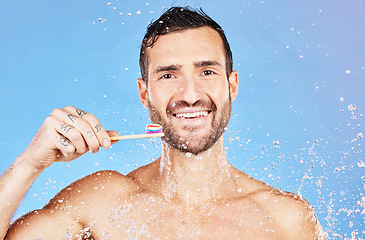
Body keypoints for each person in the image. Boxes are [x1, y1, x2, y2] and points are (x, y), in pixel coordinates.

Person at [1, 6, 324, 239]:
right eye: (169, 74)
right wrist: (30, 163)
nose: (190, 94)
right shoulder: (102, 202)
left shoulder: (285, 221)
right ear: (144, 93)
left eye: (207, 71)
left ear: (232, 85)